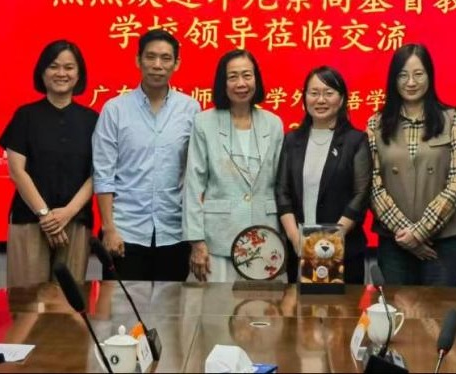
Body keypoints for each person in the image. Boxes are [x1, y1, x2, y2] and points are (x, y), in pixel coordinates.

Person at [93, 30, 200, 281]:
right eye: (150, 57)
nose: (157, 65)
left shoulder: (191, 109)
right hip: (125, 233)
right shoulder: (115, 109)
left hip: (174, 233)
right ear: (138, 60)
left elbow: (195, 174)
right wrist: (109, 229)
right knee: (123, 306)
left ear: (176, 63)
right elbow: (104, 174)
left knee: (170, 305)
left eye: (165, 58)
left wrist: (196, 235)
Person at [366, 43, 456, 286]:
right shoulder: (376, 123)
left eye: (418, 74)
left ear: (430, 76)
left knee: (440, 309)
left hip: (442, 242)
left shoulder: (454, 119)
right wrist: (407, 235)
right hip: (395, 242)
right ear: (393, 79)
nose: (411, 82)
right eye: (403, 75)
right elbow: (372, 185)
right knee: (395, 308)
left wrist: (420, 232)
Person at [0, 40, 97, 287]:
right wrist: (45, 215)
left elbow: (98, 175)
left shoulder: (93, 120)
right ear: (42, 72)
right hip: (30, 219)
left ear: (79, 74)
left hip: (75, 220)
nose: (61, 73)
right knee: (27, 300)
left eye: (69, 67)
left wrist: (67, 213)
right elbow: (17, 171)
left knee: (69, 301)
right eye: (53, 66)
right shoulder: (25, 116)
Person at [184, 49, 284, 282]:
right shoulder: (204, 123)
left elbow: (282, 184)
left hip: (265, 237)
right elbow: (193, 184)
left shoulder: (273, 124)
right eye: (233, 77)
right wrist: (196, 241)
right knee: (216, 304)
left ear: (256, 79)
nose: (241, 83)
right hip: (218, 239)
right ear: (223, 82)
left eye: (247, 75)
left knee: (262, 305)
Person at [276, 66, 372, 284]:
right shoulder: (292, 141)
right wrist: (296, 238)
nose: (321, 100)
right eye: (314, 93)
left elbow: (361, 194)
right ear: (304, 98)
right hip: (300, 251)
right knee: (299, 307)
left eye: (329, 93)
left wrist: (333, 239)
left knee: (343, 307)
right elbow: (282, 191)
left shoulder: (355, 141)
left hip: (344, 251)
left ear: (342, 99)